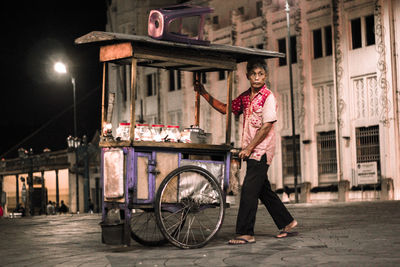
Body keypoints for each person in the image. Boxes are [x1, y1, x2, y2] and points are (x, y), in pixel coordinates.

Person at [194, 59, 298, 244]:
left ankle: (245, 232)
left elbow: (266, 127)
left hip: (261, 150)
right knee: (263, 190)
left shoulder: (268, 97)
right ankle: (287, 222)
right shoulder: (245, 97)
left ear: (265, 76)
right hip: (250, 151)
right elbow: (225, 109)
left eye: (261, 74)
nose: (257, 77)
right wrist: (203, 93)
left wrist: (249, 148)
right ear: (248, 76)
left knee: (249, 191)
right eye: (254, 74)